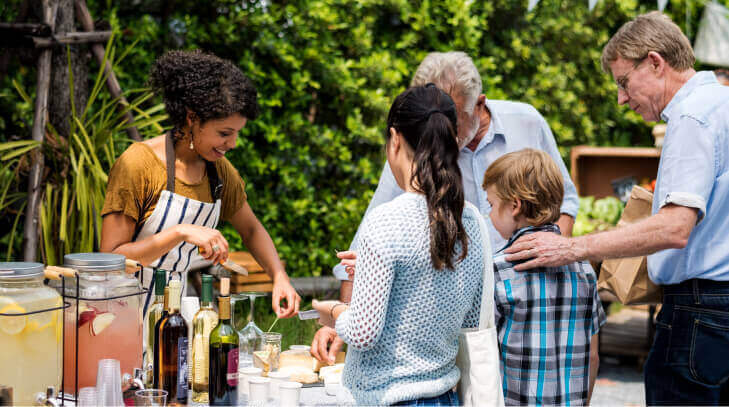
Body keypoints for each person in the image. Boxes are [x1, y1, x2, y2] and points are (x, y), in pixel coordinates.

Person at [505, 12, 729, 405]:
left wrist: (575, 247)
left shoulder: (691, 117)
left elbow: (675, 228)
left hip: (700, 312)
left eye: (624, 82)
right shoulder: (721, 103)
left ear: (655, 62)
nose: (622, 98)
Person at [311, 51, 580, 364]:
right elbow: (366, 242)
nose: (443, 135)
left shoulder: (528, 123)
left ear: (478, 105)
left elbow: (566, 203)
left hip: (529, 301)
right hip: (452, 327)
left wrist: (543, 260)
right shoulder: (414, 150)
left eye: (451, 121)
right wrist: (341, 324)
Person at [312, 84, 491, 406]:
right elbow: (469, 317)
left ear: (395, 139)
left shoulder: (386, 221)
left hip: (385, 398)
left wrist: (334, 311)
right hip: (444, 396)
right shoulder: (474, 221)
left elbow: (363, 333)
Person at [100, 50, 300, 318]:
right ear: (192, 118)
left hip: (173, 316)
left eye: (237, 133)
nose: (233, 144)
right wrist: (179, 232)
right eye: (224, 133)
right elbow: (113, 261)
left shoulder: (219, 173)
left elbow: (251, 229)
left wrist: (279, 276)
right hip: (121, 316)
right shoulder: (138, 164)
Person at [484, 149, 605, 406]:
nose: (490, 214)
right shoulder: (583, 268)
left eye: (492, 204)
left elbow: (484, 355)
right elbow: (593, 355)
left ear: (514, 206)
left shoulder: (498, 270)